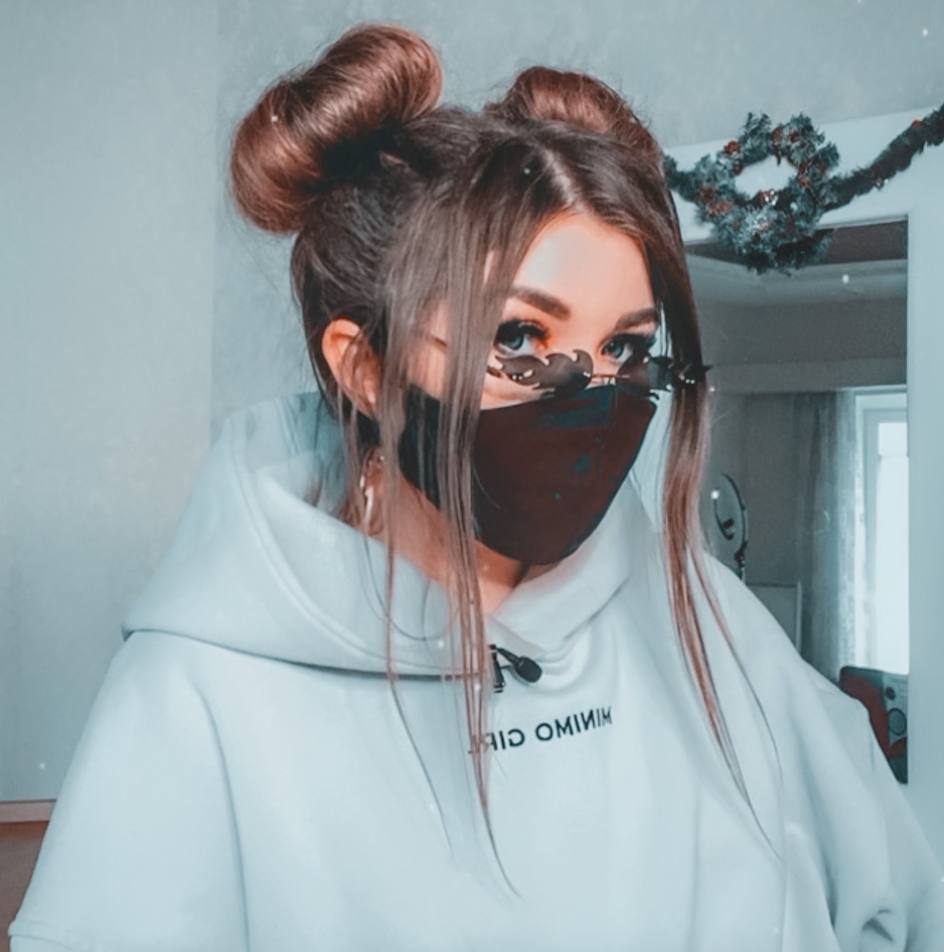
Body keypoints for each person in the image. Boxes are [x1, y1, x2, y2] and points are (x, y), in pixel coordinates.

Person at [9, 21, 944, 952]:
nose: (593, 396)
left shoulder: (698, 614)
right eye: (519, 339)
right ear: (365, 367)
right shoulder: (198, 694)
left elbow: (895, 891)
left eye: (625, 347)